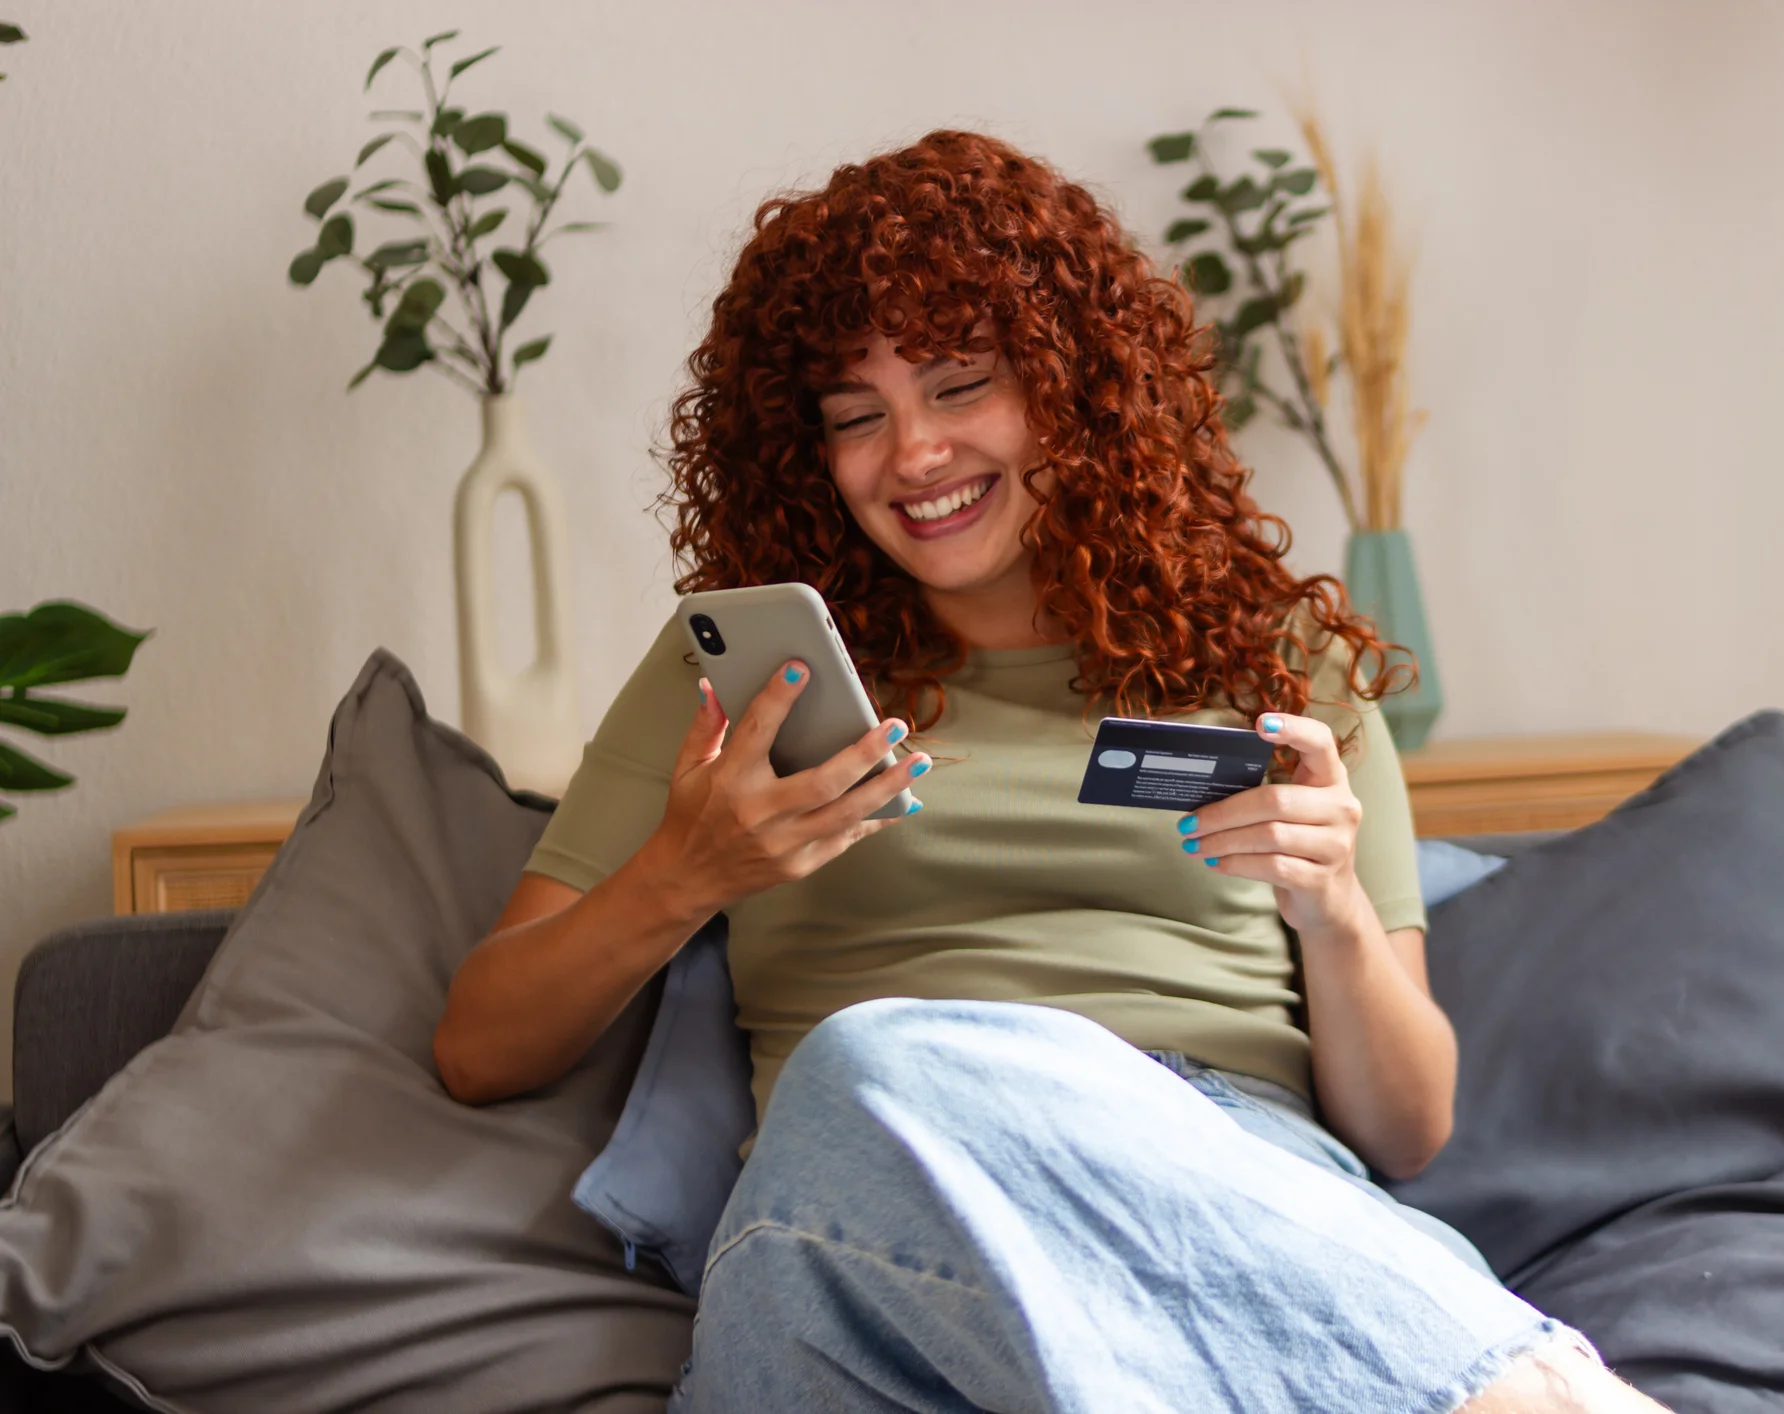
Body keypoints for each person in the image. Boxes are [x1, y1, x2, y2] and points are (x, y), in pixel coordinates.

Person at [433, 130, 1668, 1414]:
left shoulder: (1273, 651)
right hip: (852, 1231)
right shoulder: (743, 677)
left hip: (1231, 1181)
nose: (911, 455)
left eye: (960, 387)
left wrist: (1333, 910)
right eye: (857, 417)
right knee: (870, 1071)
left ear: (1072, 387)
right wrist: (688, 876)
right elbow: (480, 1045)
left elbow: (1410, 1127)